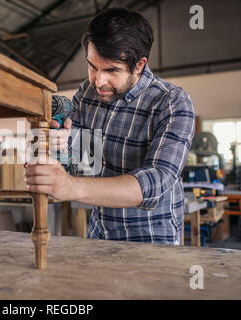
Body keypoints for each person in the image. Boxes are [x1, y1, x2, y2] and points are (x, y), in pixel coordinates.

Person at [24, 8, 195, 245]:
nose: (98, 80)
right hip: (100, 232)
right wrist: (60, 145)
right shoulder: (87, 93)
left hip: (152, 240)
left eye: (111, 70)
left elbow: (156, 182)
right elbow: (79, 158)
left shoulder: (172, 102)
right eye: (92, 66)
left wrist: (70, 187)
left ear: (139, 65)